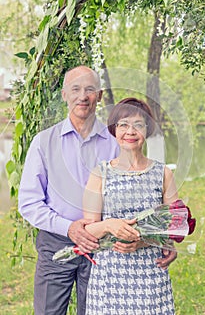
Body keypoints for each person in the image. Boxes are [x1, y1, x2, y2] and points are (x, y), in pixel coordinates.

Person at [18, 66, 176, 315]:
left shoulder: (118, 141)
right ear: (64, 94)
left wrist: (161, 239)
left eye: (90, 89)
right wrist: (68, 228)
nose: (83, 96)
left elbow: (139, 194)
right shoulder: (43, 142)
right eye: (76, 89)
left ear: (99, 96)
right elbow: (29, 203)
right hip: (56, 243)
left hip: (104, 248)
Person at [82, 97, 178, 314]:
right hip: (109, 274)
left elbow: (174, 226)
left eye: (138, 125)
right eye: (123, 124)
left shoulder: (163, 173)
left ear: (147, 130)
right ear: (115, 130)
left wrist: (143, 241)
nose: (130, 131)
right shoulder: (100, 173)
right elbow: (89, 229)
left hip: (150, 271)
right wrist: (110, 225)